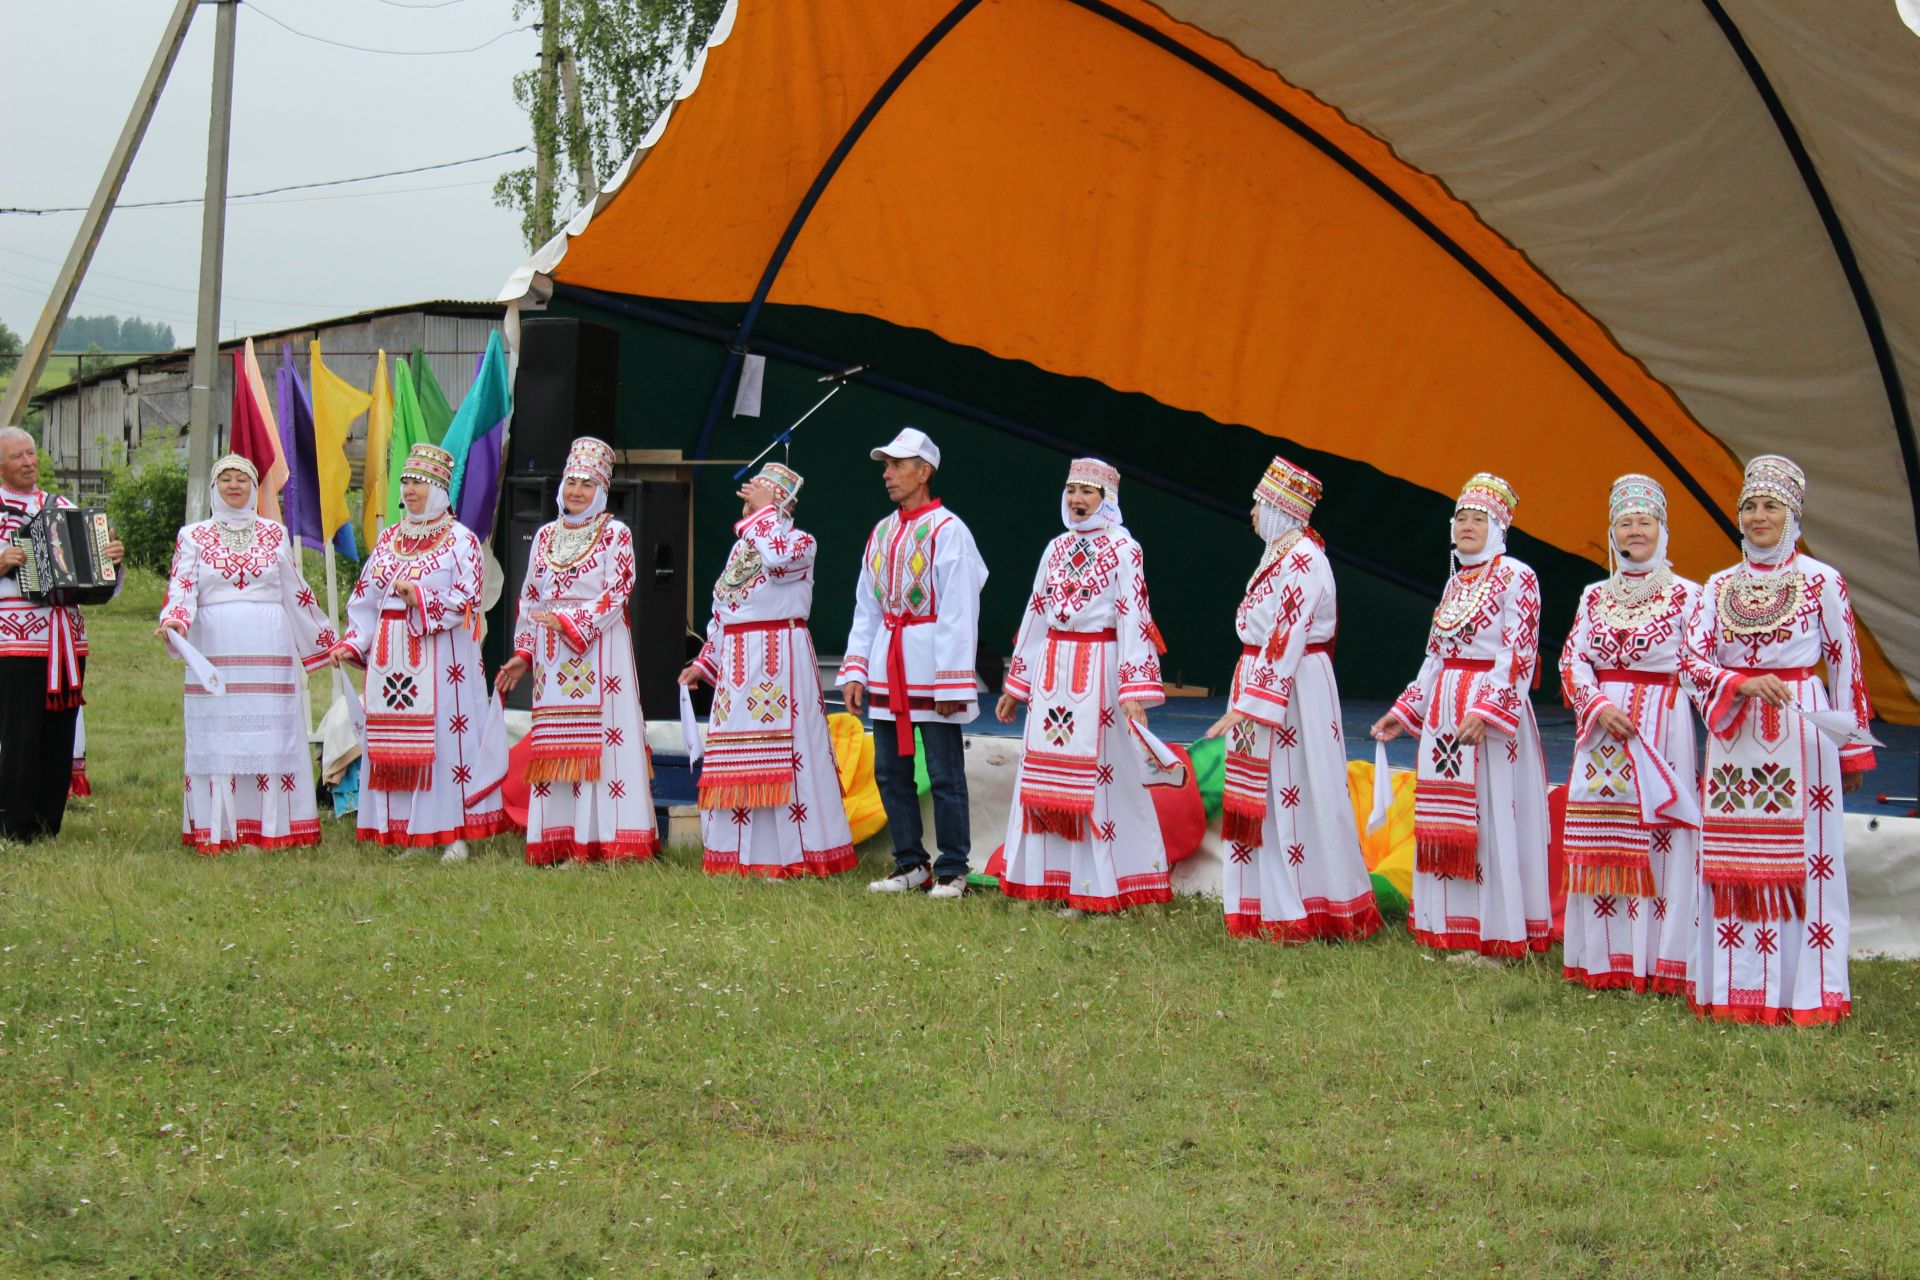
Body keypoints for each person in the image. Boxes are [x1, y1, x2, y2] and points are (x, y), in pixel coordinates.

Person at [1679, 455, 1875, 1026]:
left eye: (1771, 506)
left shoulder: (1821, 579)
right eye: (1750, 507)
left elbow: (1844, 664)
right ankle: (1733, 990)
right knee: (1732, 858)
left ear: (1793, 515)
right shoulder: (1716, 586)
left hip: (1804, 731)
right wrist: (1737, 681)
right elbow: (1690, 662)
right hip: (1735, 732)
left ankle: (1807, 994)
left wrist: (1853, 746)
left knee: (1808, 861)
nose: (1759, 516)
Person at [1370, 473, 1551, 959]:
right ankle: (1449, 927)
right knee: (1446, 820)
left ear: (1499, 527)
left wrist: (1490, 709)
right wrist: (1404, 712)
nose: (1468, 526)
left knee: (1489, 817)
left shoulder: (1517, 575)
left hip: (1487, 714)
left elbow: (1520, 651)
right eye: (1462, 518)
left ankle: (1496, 934)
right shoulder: (1455, 583)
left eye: (1479, 519)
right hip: (1444, 714)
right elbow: (1434, 658)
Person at [1205, 456, 1380, 942]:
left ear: (1280, 509)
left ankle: (1308, 907)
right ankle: (1265, 903)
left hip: (1293, 688)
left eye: (1259, 505)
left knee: (1299, 787)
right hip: (1269, 677)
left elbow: (1288, 635)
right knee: (1271, 793)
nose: (1253, 514)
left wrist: (1250, 705)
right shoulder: (1281, 556)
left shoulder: (1304, 558)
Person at [994, 458, 1171, 913]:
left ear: (1106, 499)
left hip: (1101, 672)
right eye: (1072, 490)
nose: (1077, 500)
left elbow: (1135, 615)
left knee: (1098, 780)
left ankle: (1093, 886)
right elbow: (1035, 612)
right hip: (1053, 667)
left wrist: (1135, 693)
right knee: (1044, 775)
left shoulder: (1125, 548)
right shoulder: (1054, 548)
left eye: (1088, 492)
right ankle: (1045, 880)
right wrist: (1018, 683)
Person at [1556, 474, 1702, 993]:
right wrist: (1595, 704)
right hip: (1602, 731)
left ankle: (1661, 962)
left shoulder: (1691, 595)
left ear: (1662, 529)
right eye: (1625, 522)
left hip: (1663, 724)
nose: (1634, 531)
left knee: (1663, 838)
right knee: (1604, 842)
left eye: (1644, 521)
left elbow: (1701, 663)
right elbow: (1573, 658)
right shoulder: (1594, 595)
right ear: (1612, 530)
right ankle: (1604, 959)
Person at [332, 443, 510, 861]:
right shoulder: (390, 538)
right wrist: (352, 641)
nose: (410, 490)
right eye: (407, 482)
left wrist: (422, 598)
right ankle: (413, 832)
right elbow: (364, 599)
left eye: (420, 483)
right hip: (391, 657)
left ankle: (453, 835)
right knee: (399, 746)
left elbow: (470, 599)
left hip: (443, 656)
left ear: (440, 490)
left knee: (445, 744)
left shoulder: (461, 541)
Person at [680, 462, 855, 878]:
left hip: (780, 655)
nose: (748, 502)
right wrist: (705, 662)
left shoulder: (800, 542)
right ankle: (737, 856)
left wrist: (764, 515)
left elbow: (777, 561)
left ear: (781, 504)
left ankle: (792, 855)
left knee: (787, 754)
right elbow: (723, 611)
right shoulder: (739, 549)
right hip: (737, 661)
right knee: (737, 755)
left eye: (759, 494)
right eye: (749, 495)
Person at [156, 454, 337, 853]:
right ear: (215, 487)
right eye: (226, 479)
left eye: (242, 479)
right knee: (221, 734)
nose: (234, 485)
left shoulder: (274, 534)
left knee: (269, 733)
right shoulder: (194, 535)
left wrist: (326, 640)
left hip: (267, 646)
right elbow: (182, 586)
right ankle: (222, 827)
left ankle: (269, 829)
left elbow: (295, 589)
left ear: (255, 488)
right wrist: (176, 623)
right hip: (215, 648)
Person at [838, 428, 988, 899]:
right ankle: (910, 864)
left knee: (944, 773)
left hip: (930, 665)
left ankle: (953, 869)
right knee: (890, 769)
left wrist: (952, 681)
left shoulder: (949, 530)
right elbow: (866, 605)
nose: (887, 474)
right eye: (886, 466)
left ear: (924, 472)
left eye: (897, 465)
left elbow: (961, 607)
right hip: (889, 660)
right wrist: (857, 666)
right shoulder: (882, 532)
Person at [496, 437, 658, 866]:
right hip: (552, 658)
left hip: (599, 651)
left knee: (599, 747)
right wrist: (524, 654)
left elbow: (618, 591)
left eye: (587, 484)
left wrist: (571, 621)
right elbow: (530, 597)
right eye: (571, 482)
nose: (576, 492)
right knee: (557, 751)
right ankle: (559, 841)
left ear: (602, 490)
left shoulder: (615, 533)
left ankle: (602, 842)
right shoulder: (546, 535)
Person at [0, 425, 124, 843]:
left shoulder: (62, 507)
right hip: (12, 643)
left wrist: (111, 561)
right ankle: (14, 824)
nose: (28, 462)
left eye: (31, 454)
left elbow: (96, 581)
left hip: (65, 639)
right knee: (20, 734)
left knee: (58, 733)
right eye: (17, 456)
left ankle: (47, 822)